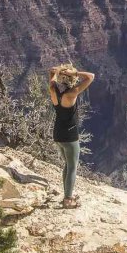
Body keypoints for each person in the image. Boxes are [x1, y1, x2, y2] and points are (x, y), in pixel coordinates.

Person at [48, 64, 95, 209]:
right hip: (70, 137)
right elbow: (91, 76)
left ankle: (67, 194)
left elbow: (51, 75)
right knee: (72, 167)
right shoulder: (71, 94)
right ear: (72, 80)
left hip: (58, 135)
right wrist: (74, 72)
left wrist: (57, 72)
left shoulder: (54, 90)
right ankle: (68, 199)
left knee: (67, 165)